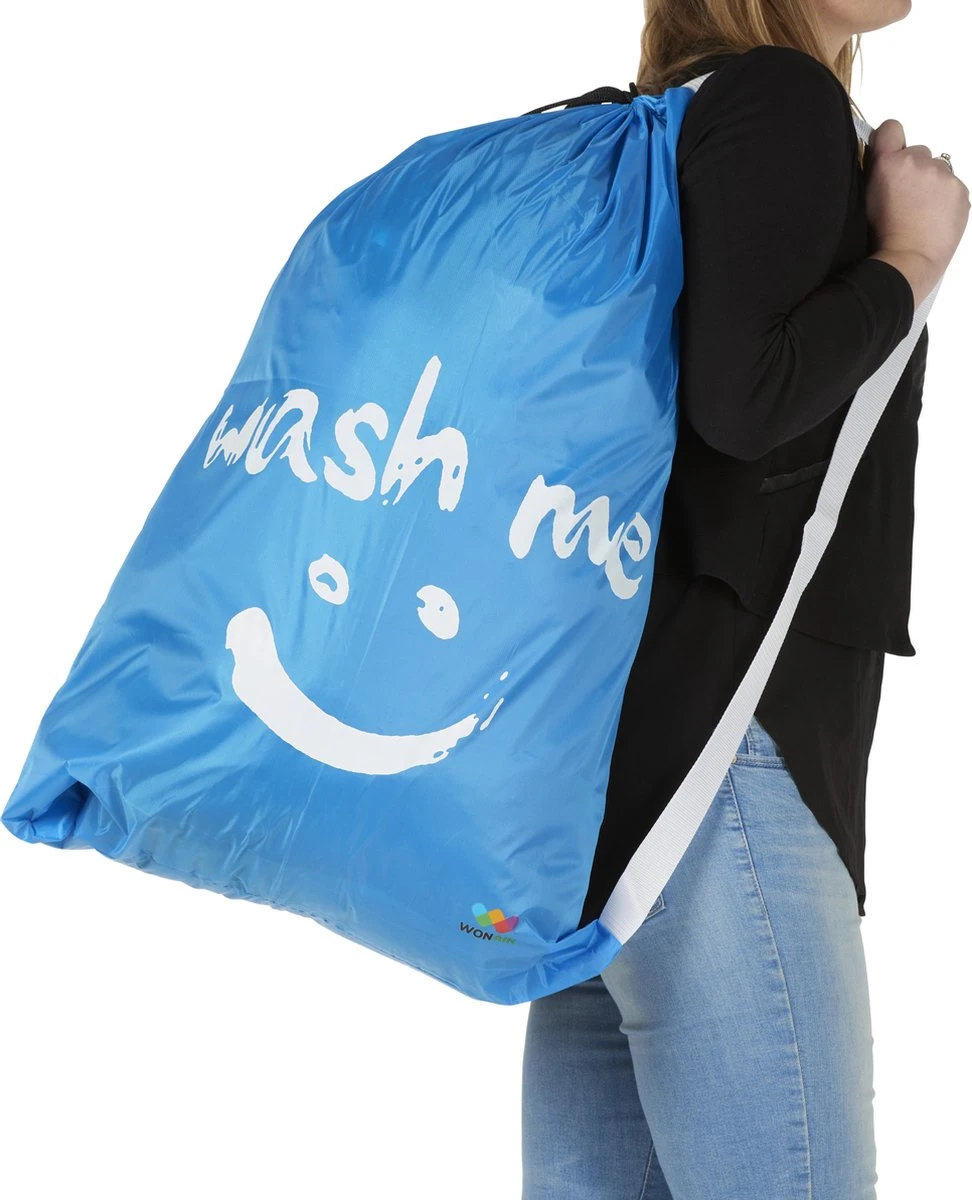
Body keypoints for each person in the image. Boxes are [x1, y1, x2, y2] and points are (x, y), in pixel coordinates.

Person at [520, 2, 969, 1197]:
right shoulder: (779, 99)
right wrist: (912, 261)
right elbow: (745, 396)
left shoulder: (677, 123)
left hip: (610, 789)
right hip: (728, 775)